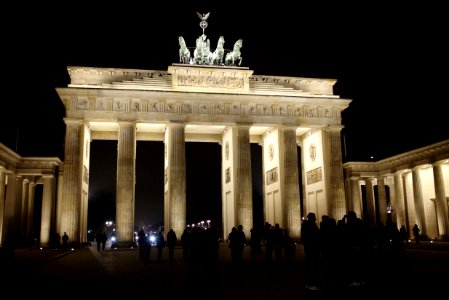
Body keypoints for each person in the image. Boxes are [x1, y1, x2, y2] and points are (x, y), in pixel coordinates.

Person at [301, 212, 320, 291]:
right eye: (314, 217)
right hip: (313, 248)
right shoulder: (312, 225)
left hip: (308, 248)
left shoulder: (304, 225)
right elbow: (315, 236)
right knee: (313, 266)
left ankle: (308, 284)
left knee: (309, 266)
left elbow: (303, 238)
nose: (316, 218)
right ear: (312, 217)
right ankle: (312, 284)